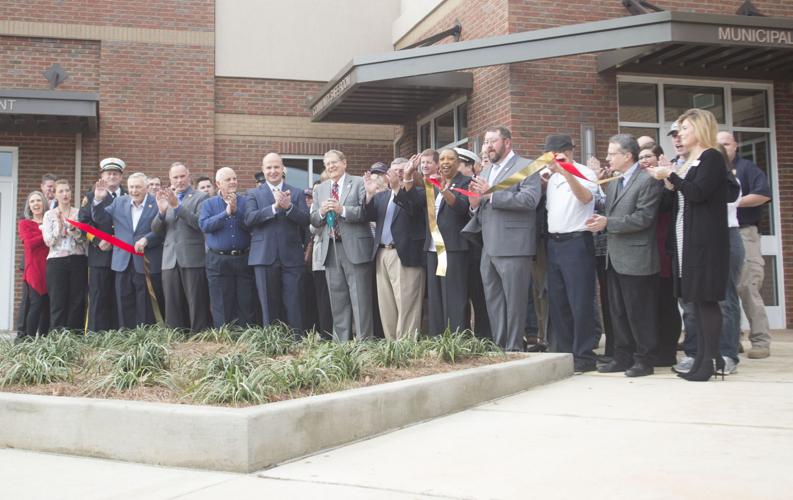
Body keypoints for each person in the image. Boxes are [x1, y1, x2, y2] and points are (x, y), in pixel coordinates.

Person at [648, 109, 740, 382]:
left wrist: (673, 177)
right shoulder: (689, 161)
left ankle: (711, 361)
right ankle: (701, 358)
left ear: (699, 130)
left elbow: (699, 193)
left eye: (685, 129)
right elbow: (683, 197)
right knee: (695, 302)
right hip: (687, 241)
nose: (680, 134)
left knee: (707, 301)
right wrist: (669, 179)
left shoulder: (711, 156)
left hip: (705, 243)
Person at [587, 134, 663, 377]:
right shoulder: (616, 181)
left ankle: (644, 359)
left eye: (612, 154)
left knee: (638, 311)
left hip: (637, 257)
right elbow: (609, 211)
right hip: (614, 257)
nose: (608, 158)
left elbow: (643, 218)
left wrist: (608, 223)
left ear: (627, 156)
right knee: (617, 311)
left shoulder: (647, 181)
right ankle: (622, 356)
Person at [463, 126, 542, 352]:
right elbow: (480, 205)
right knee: (494, 300)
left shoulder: (526, 166)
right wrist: (474, 204)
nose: (487, 147)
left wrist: (491, 194)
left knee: (515, 301)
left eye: (492, 141)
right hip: (489, 244)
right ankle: (500, 344)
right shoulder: (486, 172)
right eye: (486, 142)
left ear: (507, 142)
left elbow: (529, 200)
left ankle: (514, 346)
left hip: (514, 244)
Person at [543, 134, 601, 372]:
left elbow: (586, 197)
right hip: (554, 243)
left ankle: (584, 354)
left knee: (580, 300)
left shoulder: (584, 173)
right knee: (559, 300)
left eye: (554, 156)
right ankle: (567, 352)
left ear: (566, 153)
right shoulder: (550, 179)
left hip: (577, 241)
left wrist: (566, 172)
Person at [717, 131, 772, 359]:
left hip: (744, 232)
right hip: (720, 233)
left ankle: (760, 341)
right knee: (726, 289)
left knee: (747, 287)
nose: (724, 148)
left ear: (736, 146)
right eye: (719, 145)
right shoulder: (714, 169)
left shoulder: (748, 168)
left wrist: (733, 200)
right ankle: (733, 339)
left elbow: (763, 194)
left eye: (727, 144)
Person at [310, 149, 374, 341]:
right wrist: (321, 212)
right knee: (337, 300)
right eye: (327, 164)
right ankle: (341, 343)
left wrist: (342, 209)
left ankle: (364, 342)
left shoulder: (358, 183)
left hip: (355, 248)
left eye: (334, 162)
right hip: (331, 249)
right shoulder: (320, 189)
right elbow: (313, 220)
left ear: (344, 163)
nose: (331, 166)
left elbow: (365, 213)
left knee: (360, 299)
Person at [245, 154, 310, 332]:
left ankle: (297, 343)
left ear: (283, 169)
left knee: (294, 302)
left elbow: (306, 220)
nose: (273, 171)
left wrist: (289, 207)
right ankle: (273, 344)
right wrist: (274, 207)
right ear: (263, 170)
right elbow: (249, 219)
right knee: (268, 304)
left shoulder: (296, 192)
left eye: (276, 167)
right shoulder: (253, 194)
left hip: (291, 257)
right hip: (264, 257)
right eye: (268, 168)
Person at [364, 156, 427, 339]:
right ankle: (392, 345)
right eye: (394, 171)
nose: (398, 174)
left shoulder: (418, 192)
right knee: (386, 304)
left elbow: (411, 207)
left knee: (407, 303)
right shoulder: (382, 196)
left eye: (402, 170)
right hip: (382, 253)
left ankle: (406, 346)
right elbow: (367, 216)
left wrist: (398, 188)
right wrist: (368, 195)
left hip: (404, 254)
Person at [92, 172, 164, 328]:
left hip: (145, 261)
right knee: (123, 300)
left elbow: (161, 229)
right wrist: (98, 200)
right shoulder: (119, 202)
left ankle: (145, 336)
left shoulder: (156, 203)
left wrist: (147, 239)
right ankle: (126, 337)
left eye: (138, 187)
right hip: (122, 261)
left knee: (144, 302)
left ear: (146, 187)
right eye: (131, 187)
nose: (134, 190)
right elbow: (100, 219)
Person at [151, 162, 212, 332]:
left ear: (189, 176)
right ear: (170, 179)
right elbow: (156, 230)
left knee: (196, 300)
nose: (179, 180)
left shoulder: (201, 197)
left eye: (182, 176)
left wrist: (177, 206)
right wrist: (162, 212)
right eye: (175, 177)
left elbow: (199, 224)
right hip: (170, 258)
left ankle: (198, 335)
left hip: (192, 257)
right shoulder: (165, 199)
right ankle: (175, 334)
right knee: (172, 301)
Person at [199, 167, 259, 328]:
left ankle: (246, 338)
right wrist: (226, 213)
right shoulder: (208, 204)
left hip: (243, 258)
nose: (233, 182)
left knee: (245, 300)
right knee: (221, 302)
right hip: (218, 260)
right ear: (218, 183)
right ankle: (225, 340)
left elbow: (251, 225)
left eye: (234, 178)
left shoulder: (246, 202)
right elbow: (204, 225)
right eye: (228, 179)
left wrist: (236, 212)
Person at [638, 144, 680, 367]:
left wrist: (665, 178)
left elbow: (668, 202)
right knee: (649, 305)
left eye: (648, 156)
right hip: (644, 248)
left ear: (659, 158)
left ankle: (668, 352)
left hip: (664, 248)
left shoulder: (667, 181)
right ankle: (651, 349)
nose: (644, 160)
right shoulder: (638, 182)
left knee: (666, 303)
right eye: (641, 157)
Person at [79, 157, 126, 332]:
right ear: (102, 177)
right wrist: (98, 240)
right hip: (100, 255)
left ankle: (117, 335)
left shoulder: (129, 196)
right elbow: (83, 223)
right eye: (108, 174)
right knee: (98, 298)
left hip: (123, 255)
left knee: (119, 297)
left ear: (121, 177)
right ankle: (95, 336)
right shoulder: (91, 196)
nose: (112, 177)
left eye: (115, 174)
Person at [41, 179, 87, 330]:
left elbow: (83, 240)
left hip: (77, 259)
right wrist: (58, 229)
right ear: (55, 194)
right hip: (57, 262)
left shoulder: (78, 213)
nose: (65, 194)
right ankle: (57, 338)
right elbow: (48, 242)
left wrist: (74, 230)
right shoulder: (49, 215)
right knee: (58, 300)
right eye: (61, 191)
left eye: (67, 190)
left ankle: (75, 336)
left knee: (77, 300)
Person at [455, 147, 491, 339]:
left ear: (468, 166)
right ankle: (471, 335)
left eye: (457, 163)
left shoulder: (473, 184)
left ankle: (484, 336)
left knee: (479, 296)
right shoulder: (454, 183)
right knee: (465, 295)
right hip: (461, 249)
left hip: (475, 248)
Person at [17, 191, 50, 338]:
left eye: (38, 200)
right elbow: (29, 244)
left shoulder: (50, 221)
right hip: (34, 269)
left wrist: (44, 231)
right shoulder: (24, 223)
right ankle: (29, 340)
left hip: (50, 268)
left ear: (44, 203)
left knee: (47, 306)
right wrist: (45, 233)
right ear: (29, 206)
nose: (36, 204)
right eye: (32, 202)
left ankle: (43, 341)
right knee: (35, 305)